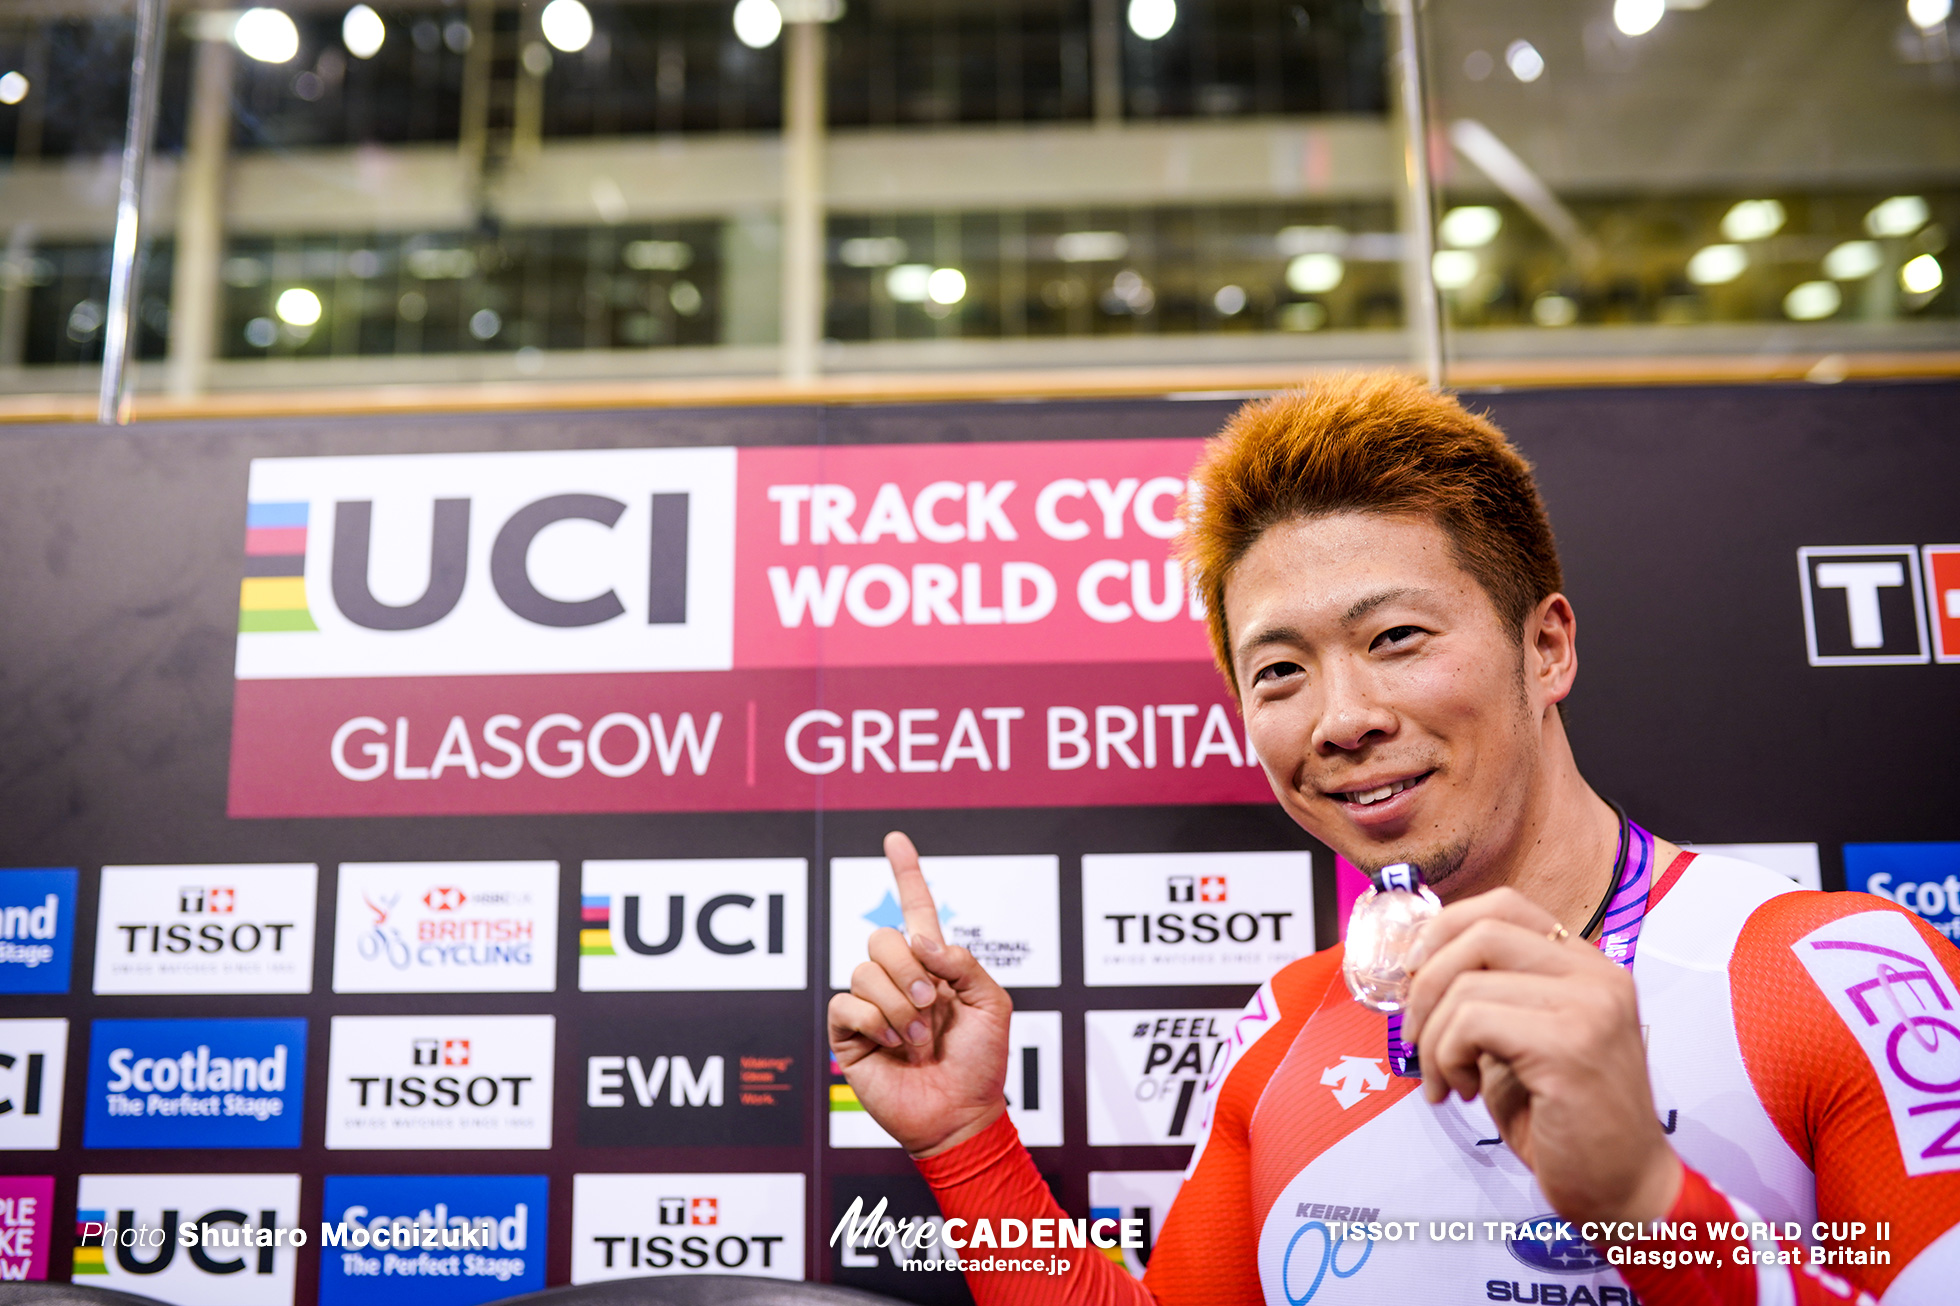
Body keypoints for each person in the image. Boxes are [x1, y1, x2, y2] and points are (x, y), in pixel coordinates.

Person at [827, 373, 1960, 1306]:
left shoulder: (1833, 974)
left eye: (1397, 636)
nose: (1341, 716)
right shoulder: (1280, 1028)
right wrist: (967, 1138)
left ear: (1546, 646)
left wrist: (1648, 1210)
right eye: (1279, 671)